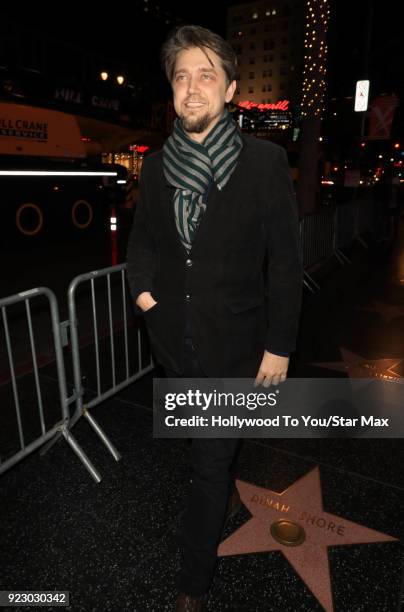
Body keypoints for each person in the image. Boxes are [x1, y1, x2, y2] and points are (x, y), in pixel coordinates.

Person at [126, 24, 303, 611]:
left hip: (238, 345)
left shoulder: (265, 163)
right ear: (173, 92)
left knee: (208, 461)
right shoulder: (154, 168)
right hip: (174, 345)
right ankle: (222, 480)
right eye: (182, 77)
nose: (192, 88)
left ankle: (191, 586)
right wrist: (145, 298)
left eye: (206, 75)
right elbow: (143, 245)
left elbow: (285, 263)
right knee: (210, 446)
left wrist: (279, 346)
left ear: (230, 89)